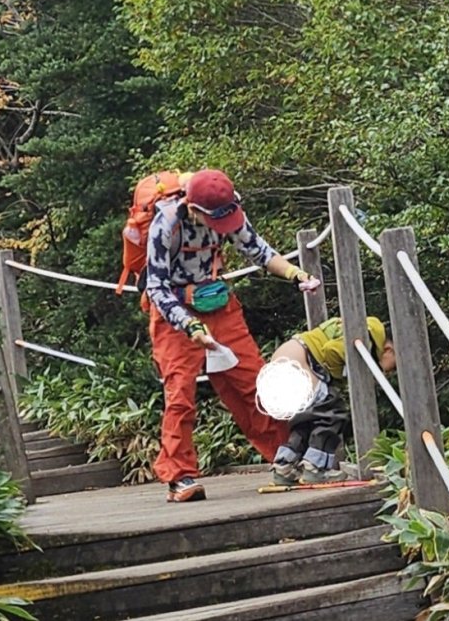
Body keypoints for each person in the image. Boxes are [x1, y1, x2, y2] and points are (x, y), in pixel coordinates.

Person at [145, 168, 317, 502]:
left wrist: (295, 274)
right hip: (174, 312)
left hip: (218, 303)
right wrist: (191, 327)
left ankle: (286, 457)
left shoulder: (230, 210)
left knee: (255, 382)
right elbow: (156, 286)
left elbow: (260, 252)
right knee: (180, 393)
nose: (222, 227)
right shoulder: (166, 223)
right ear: (194, 209)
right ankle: (180, 476)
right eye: (214, 220)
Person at [268, 316, 396, 486]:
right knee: (333, 414)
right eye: (393, 367)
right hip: (301, 362)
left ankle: (284, 466)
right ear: (388, 350)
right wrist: (337, 378)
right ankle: (316, 467)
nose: (390, 373)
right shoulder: (368, 337)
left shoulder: (361, 326)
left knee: (307, 421)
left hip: (283, 359)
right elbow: (332, 351)